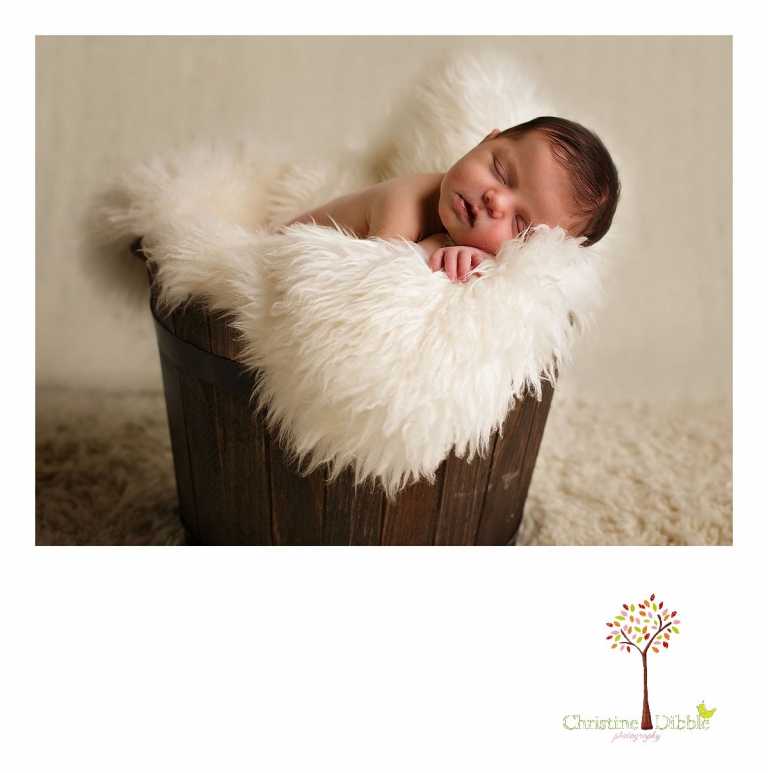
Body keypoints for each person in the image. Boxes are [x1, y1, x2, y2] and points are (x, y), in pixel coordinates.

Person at [286, 116, 620, 283]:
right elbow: (380, 280)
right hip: (279, 257)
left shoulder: (459, 229)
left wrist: (474, 258)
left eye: (518, 224)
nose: (496, 202)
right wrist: (433, 247)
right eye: (501, 173)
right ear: (486, 141)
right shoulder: (402, 203)